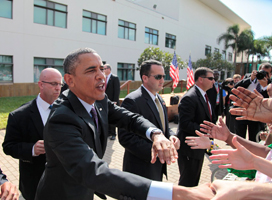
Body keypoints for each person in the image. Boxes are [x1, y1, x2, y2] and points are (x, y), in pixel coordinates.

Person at [34, 48, 215, 200]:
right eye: (91, 71)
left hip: (85, 190)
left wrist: (156, 134)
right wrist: (176, 193)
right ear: (70, 80)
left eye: (102, 69)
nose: (101, 76)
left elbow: (129, 118)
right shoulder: (61, 118)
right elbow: (94, 171)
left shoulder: (99, 100)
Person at [2, 68, 62, 200]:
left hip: (65, 183)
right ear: (41, 84)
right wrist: (32, 149)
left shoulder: (68, 110)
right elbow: (8, 146)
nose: (58, 88)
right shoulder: (19, 115)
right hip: (35, 183)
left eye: (60, 84)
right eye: (53, 84)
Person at [118, 60, 180, 181]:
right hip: (140, 169)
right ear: (145, 78)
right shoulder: (132, 101)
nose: (162, 80)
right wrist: (156, 150)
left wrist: (171, 135)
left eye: (163, 76)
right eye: (158, 77)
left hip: (156, 167)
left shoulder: (160, 99)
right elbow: (125, 137)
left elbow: (163, 126)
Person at [177, 67, 216, 187]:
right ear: (200, 79)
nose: (213, 81)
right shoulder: (190, 97)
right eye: (211, 78)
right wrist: (208, 130)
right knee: (187, 182)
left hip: (199, 146)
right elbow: (185, 124)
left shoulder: (204, 94)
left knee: (194, 181)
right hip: (190, 148)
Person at [234, 63, 272, 141]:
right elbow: (235, 87)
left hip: (258, 114)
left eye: (266, 73)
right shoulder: (249, 77)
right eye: (262, 72)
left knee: (254, 138)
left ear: (270, 75)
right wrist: (250, 79)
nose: (263, 75)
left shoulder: (270, 85)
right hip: (243, 110)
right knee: (239, 137)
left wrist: (265, 87)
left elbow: (269, 101)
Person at [104, 63, 120, 140]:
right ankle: (108, 132)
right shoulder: (104, 78)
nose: (103, 70)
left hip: (113, 101)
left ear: (109, 69)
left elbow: (117, 90)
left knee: (113, 117)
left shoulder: (114, 78)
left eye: (104, 68)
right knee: (106, 116)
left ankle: (113, 133)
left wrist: (115, 101)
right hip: (105, 101)